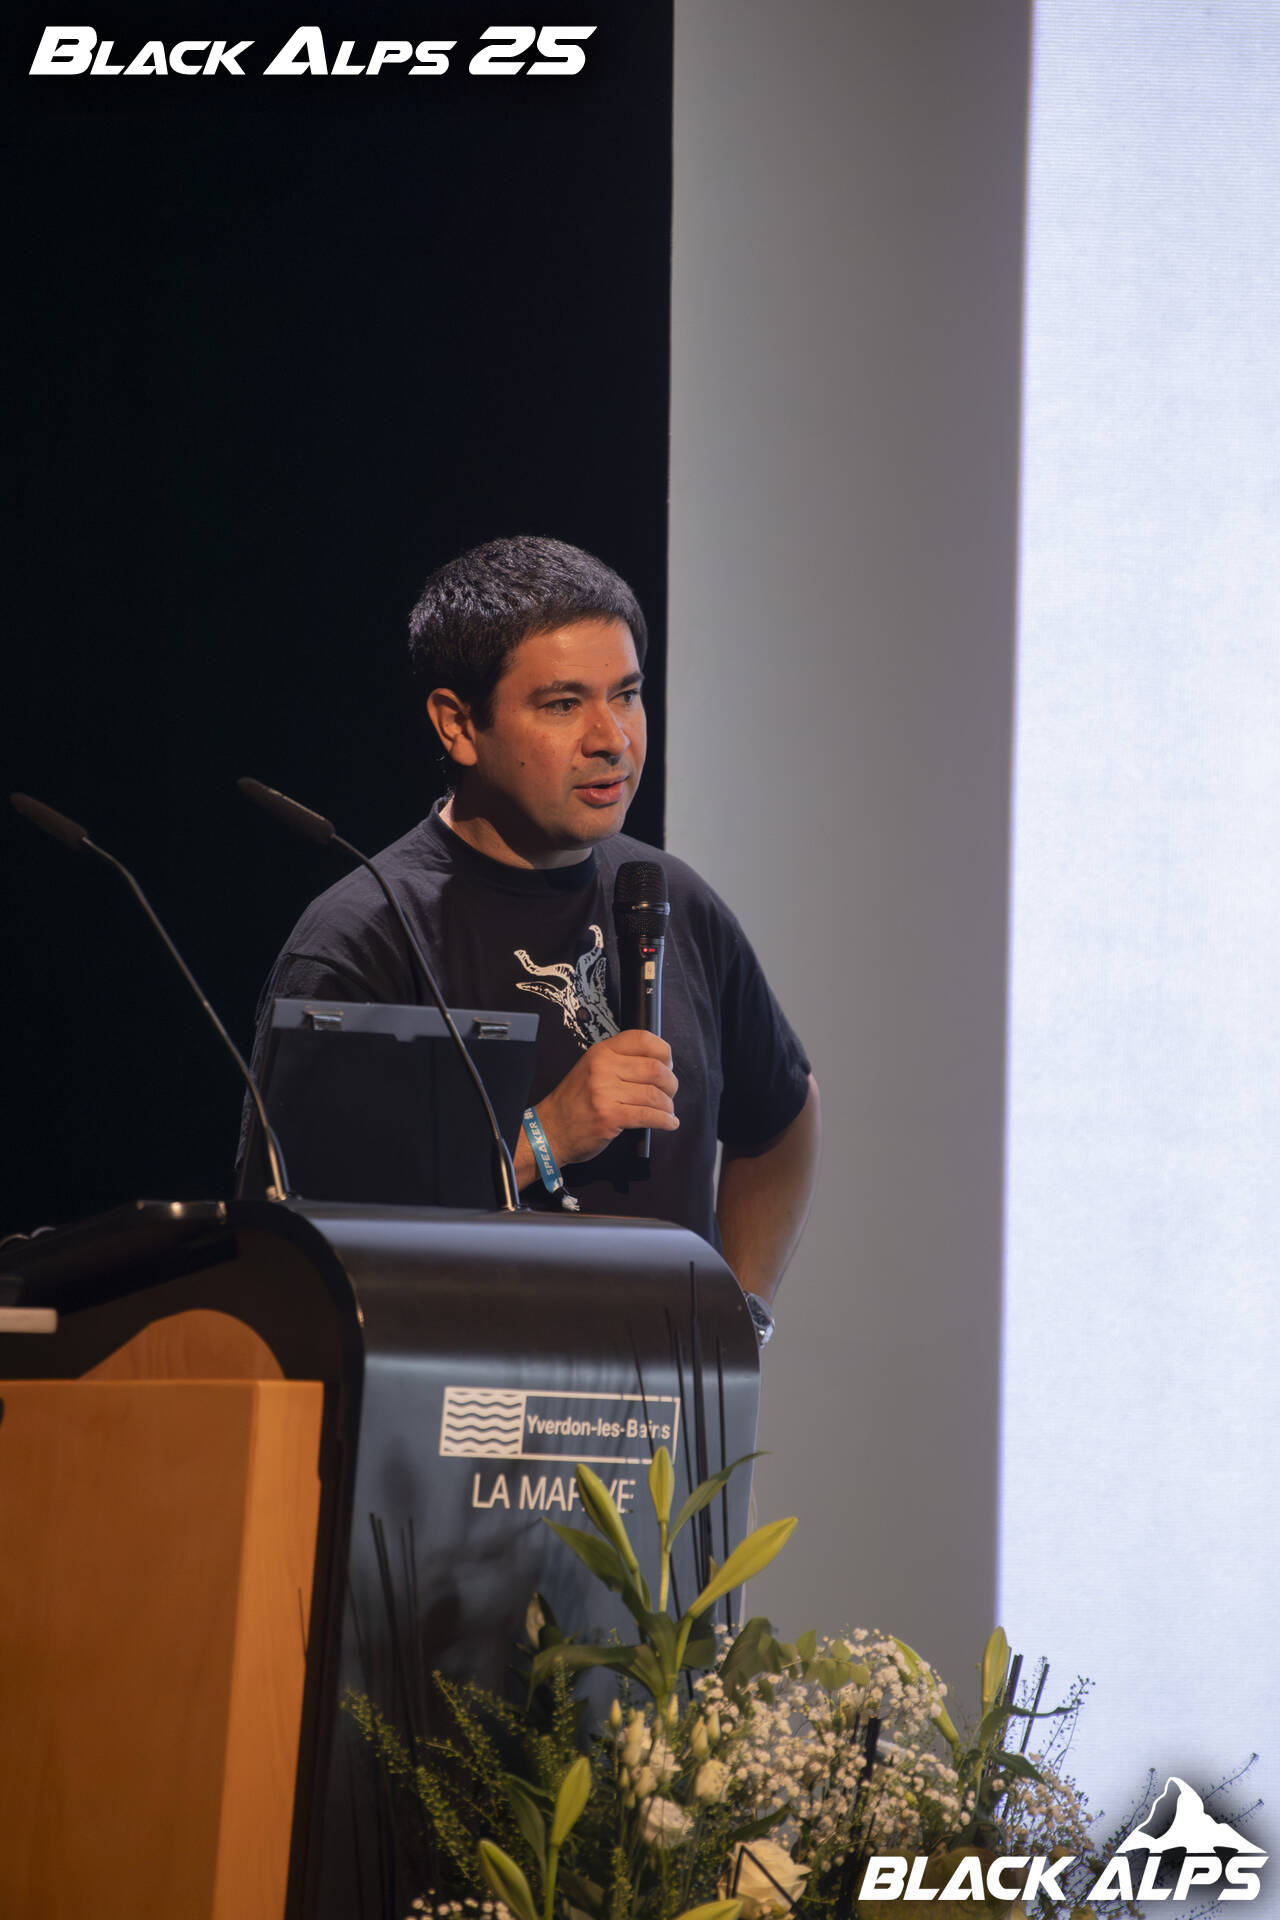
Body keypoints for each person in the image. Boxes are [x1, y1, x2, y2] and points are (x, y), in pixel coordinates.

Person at [250, 536, 820, 1314]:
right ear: (458, 725)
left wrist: (742, 1318)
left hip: (665, 1391)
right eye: (563, 704)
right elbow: (294, 1230)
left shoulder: (671, 898)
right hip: (460, 1384)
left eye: (626, 694)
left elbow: (783, 1112)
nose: (611, 739)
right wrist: (542, 1139)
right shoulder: (367, 936)